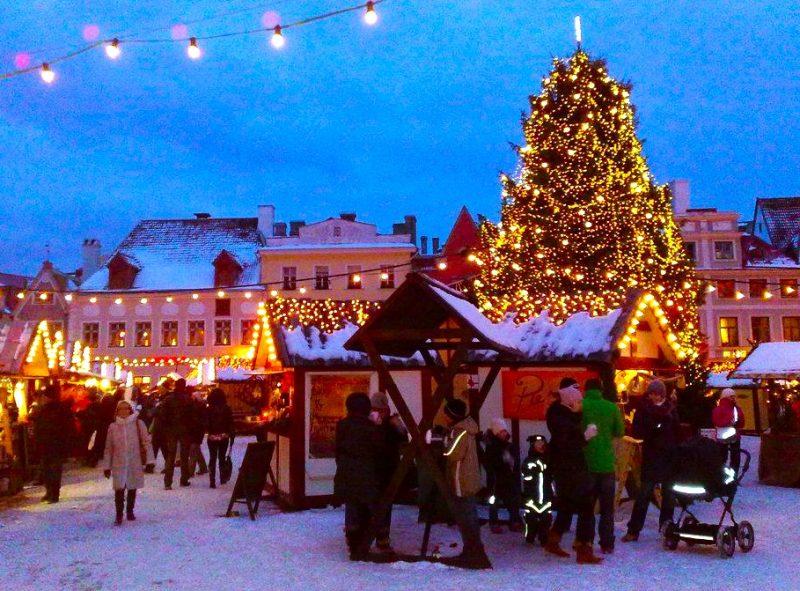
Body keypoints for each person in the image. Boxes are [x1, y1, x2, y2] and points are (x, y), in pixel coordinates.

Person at [545, 378, 602, 564]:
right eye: (577, 401)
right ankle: (584, 548)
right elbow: (567, 444)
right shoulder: (561, 417)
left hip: (567, 467)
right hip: (569, 468)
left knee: (567, 505)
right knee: (586, 505)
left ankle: (552, 540)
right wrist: (585, 436)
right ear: (569, 400)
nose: (580, 404)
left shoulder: (561, 414)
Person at [623, 379, 679, 542]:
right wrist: (654, 430)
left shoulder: (671, 409)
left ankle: (666, 528)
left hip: (668, 456)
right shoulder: (643, 410)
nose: (651, 397)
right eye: (650, 394)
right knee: (644, 494)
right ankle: (633, 530)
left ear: (661, 394)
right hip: (651, 456)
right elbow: (638, 431)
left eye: (654, 394)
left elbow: (676, 432)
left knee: (668, 495)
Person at [440, 398, 490, 569]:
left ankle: (473, 550)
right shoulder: (466, 429)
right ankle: (473, 549)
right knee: (468, 515)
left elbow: (452, 454)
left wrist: (443, 443)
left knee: (466, 517)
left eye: (446, 413)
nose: (444, 416)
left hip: (461, 479)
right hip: (467, 477)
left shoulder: (460, 432)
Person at [334, 392, 381, 561]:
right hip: (366, 472)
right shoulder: (371, 428)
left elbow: (338, 450)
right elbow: (377, 451)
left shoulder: (343, 425)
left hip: (347, 472)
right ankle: (363, 542)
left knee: (352, 507)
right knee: (366, 508)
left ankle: (353, 543)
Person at [581, 377, 624, 554]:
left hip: (587, 464)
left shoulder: (580, 406)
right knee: (607, 508)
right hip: (606, 464)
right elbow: (620, 432)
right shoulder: (611, 407)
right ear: (601, 389)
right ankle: (607, 543)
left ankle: (587, 541)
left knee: (587, 507)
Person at [101, 400, 155, 525]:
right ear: (117, 411)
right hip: (118, 463)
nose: (124, 411)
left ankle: (130, 511)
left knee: (132, 487)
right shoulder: (113, 427)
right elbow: (109, 448)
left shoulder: (138, 424)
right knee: (119, 489)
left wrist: (150, 459)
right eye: (121, 409)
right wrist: (107, 466)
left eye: (126, 408)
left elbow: (146, 442)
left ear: (130, 410)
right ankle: (119, 514)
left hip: (134, 461)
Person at [369, 391, 407, 552]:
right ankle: (375, 537)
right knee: (375, 505)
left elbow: (403, 439)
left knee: (384, 505)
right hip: (375, 470)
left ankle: (382, 538)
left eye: (380, 408)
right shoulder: (370, 422)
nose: (378, 411)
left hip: (386, 469)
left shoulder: (393, 423)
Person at [35, 384, 75, 503]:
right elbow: (39, 426)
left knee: (54, 470)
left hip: (56, 445)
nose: (44, 398)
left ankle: (54, 494)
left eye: (46, 396)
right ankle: (49, 492)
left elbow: (67, 428)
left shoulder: (60, 410)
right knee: (46, 469)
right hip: (45, 444)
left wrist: (65, 444)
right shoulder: (43, 409)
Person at [482, 418, 522, 534]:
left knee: (512, 501)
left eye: (504, 431)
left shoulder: (509, 446)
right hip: (495, 480)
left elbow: (515, 462)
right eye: (500, 431)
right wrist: (501, 462)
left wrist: (512, 462)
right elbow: (488, 464)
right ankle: (494, 522)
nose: (504, 433)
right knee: (494, 502)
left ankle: (514, 521)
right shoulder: (491, 447)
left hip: (508, 479)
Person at [157, 378, 192, 489]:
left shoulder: (168, 399)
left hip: (171, 430)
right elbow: (192, 416)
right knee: (184, 455)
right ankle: (184, 479)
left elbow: (162, 415)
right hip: (184, 430)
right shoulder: (188, 399)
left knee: (170, 456)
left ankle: (168, 482)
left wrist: (167, 426)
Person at [206, 388, 234, 488]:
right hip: (224, 436)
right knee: (221, 458)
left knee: (212, 458)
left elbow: (206, 423)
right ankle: (222, 478)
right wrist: (231, 435)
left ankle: (212, 480)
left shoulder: (209, 409)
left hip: (212, 436)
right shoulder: (227, 408)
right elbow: (230, 423)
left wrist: (209, 431)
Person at [712, 388, 745, 472]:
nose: (733, 398)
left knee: (725, 457)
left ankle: (724, 476)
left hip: (724, 436)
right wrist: (731, 423)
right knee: (733, 457)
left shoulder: (719, 409)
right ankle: (731, 476)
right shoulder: (735, 409)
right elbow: (741, 422)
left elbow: (716, 421)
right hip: (730, 435)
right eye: (732, 396)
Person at [186, 388, 208, 478]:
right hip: (198, 432)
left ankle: (190, 471)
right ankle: (203, 467)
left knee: (193, 451)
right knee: (196, 450)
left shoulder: (196, 408)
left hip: (195, 431)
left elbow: (194, 421)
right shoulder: (202, 407)